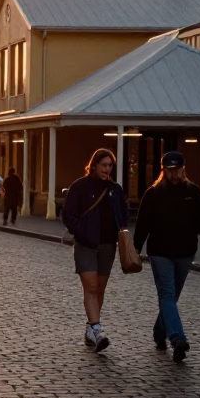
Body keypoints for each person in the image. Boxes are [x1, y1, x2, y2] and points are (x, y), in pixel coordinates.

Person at [133, 150, 200, 363]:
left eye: (177, 170)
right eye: (170, 170)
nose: (174, 174)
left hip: (185, 252)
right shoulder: (153, 193)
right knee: (167, 294)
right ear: (164, 171)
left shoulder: (193, 193)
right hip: (160, 252)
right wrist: (135, 249)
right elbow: (142, 224)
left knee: (172, 297)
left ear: (183, 170)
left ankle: (160, 331)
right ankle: (177, 339)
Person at [61, 148, 128, 354]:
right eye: (104, 165)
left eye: (110, 165)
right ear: (94, 165)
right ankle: (98, 331)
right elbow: (68, 214)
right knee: (90, 286)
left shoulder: (115, 189)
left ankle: (90, 328)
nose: (107, 169)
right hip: (86, 245)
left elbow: (123, 215)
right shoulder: (80, 186)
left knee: (99, 288)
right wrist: (82, 233)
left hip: (108, 245)